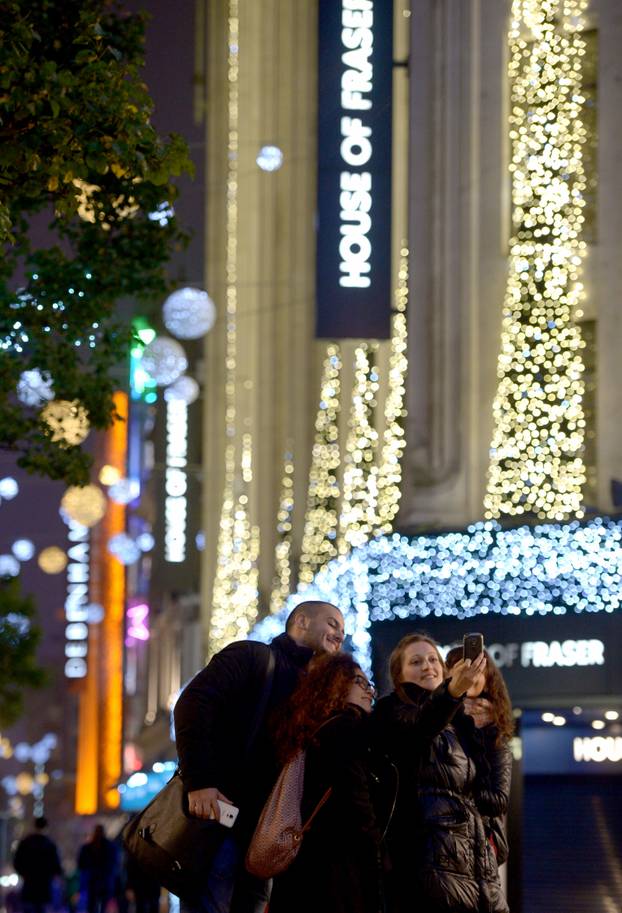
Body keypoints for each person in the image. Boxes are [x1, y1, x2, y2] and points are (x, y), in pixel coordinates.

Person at [173, 600, 345, 913]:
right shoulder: (253, 657)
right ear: (302, 622)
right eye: (332, 623)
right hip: (221, 823)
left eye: (343, 631)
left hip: (264, 839)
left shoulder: (320, 691)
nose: (340, 635)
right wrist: (201, 781)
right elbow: (193, 704)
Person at [373, 633, 509, 913]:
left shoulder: (462, 724)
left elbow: (488, 795)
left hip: (478, 869)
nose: (428, 666)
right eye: (416, 661)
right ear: (398, 675)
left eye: (433, 659)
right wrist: (450, 694)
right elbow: (418, 730)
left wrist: (488, 727)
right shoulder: (392, 711)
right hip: (429, 869)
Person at [268, 652, 396, 913]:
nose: (369, 691)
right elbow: (356, 801)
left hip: (306, 867)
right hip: (338, 869)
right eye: (360, 682)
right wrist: (379, 853)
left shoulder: (311, 731)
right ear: (335, 683)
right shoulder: (344, 730)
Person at [445, 646, 514, 866]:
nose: (471, 674)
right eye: (462, 666)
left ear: (489, 678)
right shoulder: (437, 720)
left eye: (478, 669)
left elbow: (499, 801)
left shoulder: (494, 734)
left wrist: (458, 784)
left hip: (480, 844)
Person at [13, 816, 63, 913]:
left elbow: (17, 861)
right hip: (44, 884)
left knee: (28, 908)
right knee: (42, 908)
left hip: (29, 883)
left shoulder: (26, 843)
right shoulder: (49, 845)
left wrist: (24, 873)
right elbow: (56, 865)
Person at [77, 824, 118, 913]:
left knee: (91, 906)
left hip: (92, 881)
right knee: (104, 906)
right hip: (106, 881)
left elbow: (81, 864)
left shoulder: (87, 848)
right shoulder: (111, 847)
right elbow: (115, 864)